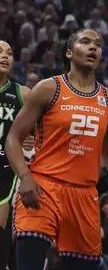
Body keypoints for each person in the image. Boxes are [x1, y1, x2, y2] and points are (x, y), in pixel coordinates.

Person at [6, 29, 108, 270]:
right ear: (69, 53)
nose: (94, 47)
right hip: (44, 187)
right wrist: (25, 177)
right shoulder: (48, 88)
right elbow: (13, 138)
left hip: (84, 195)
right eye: (85, 42)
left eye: (98, 44)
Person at [0, 40, 34, 269]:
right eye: (0, 52)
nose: (5, 56)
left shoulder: (22, 94)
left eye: (10, 53)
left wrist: (30, 141)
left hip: (4, 169)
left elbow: (47, 129)